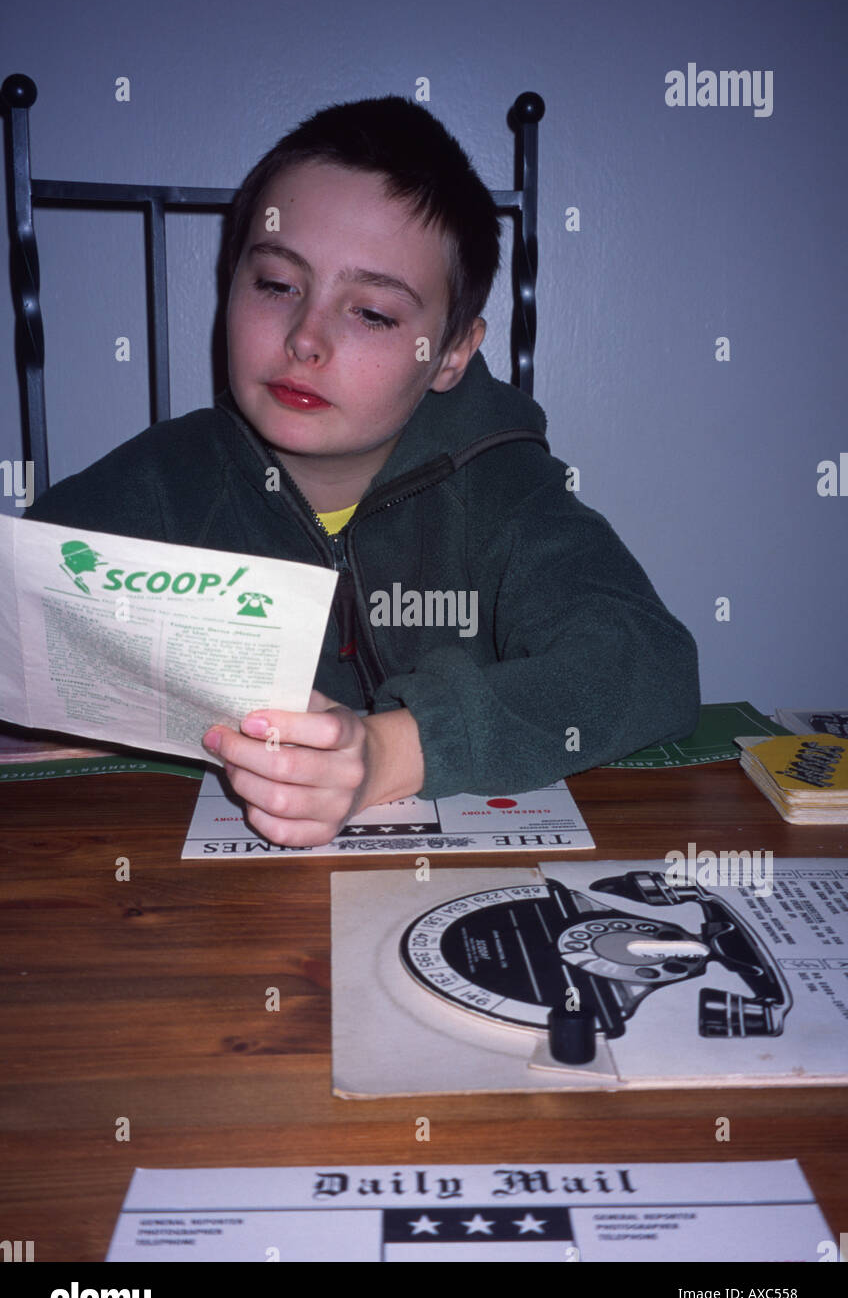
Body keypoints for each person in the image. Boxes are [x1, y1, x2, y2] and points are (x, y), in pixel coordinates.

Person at [25, 95, 700, 846]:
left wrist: (388, 752)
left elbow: (649, 665)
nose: (305, 340)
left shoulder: (501, 485)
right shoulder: (159, 483)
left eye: (372, 313)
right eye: (277, 285)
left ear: (451, 353)